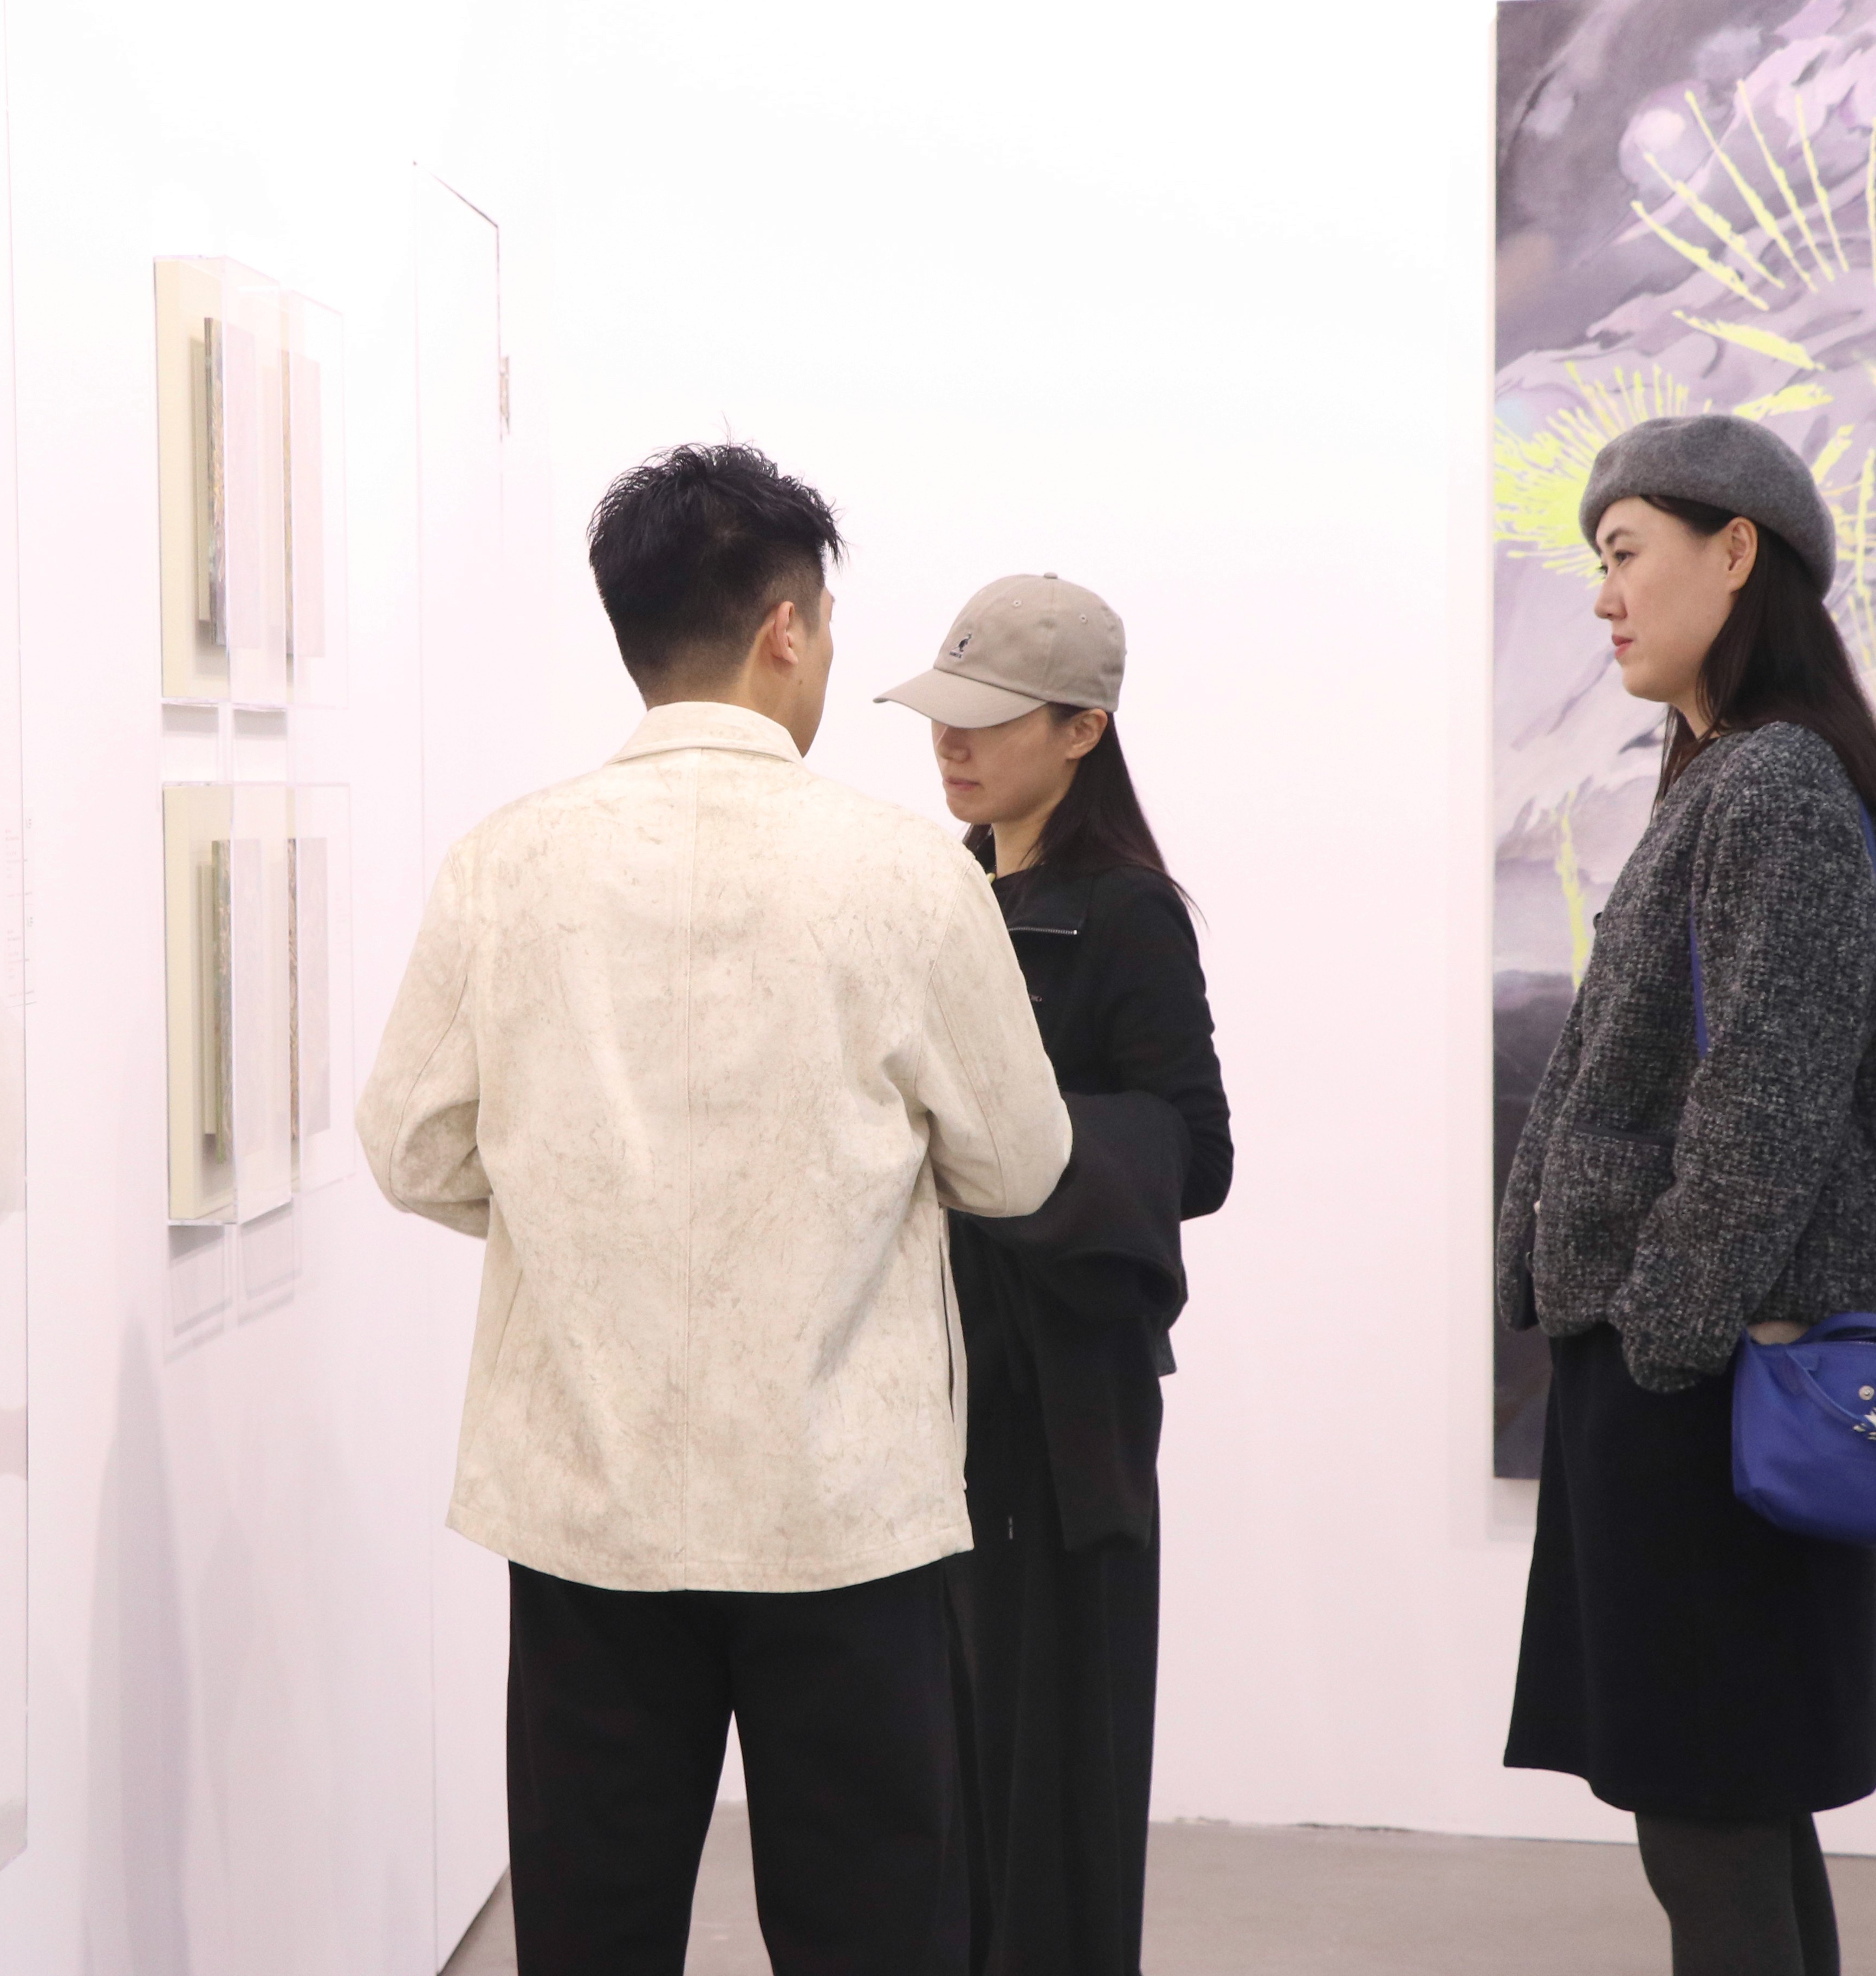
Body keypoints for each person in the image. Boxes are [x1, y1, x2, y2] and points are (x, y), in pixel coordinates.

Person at [359, 444, 1072, 1974]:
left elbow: (411, 1147)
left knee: (593, 1933)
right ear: (786, 630)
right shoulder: (905, 874)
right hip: (845, 1510)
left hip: (586, 1501)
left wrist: (576, 1206)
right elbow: (1021, 1163)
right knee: (875, 1936)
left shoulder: (504, 866)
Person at [1497, 414, 1876, 1976]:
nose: (1604, 596)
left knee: (1708, 1813)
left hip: (1711, 1384)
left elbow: (1766, 1101)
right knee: (1729, 1809)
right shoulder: (1738, 779)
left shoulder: (1777, 790)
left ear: (1736, 552)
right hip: (1702, 1367)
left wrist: (1665, 1335)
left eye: (1626, 553)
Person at [878, 575, 1232, 1975]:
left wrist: (1005, 1148)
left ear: (1084, 731)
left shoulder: (1130, 913)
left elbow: (1198, 1151)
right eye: (941, 714)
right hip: (932, 1377)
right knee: (942, 1753)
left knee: (1056, 1748)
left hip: (1060, 1391)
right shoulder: (942, 890)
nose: (951, 742)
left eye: (990, 718)